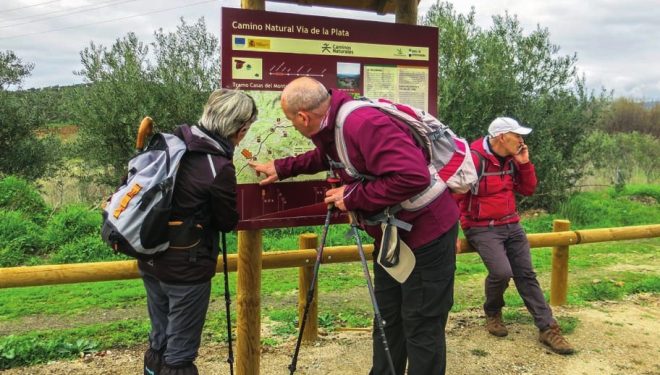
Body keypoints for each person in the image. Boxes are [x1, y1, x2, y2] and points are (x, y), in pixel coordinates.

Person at [249, 77, 459, 374]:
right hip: (394, 233)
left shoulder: (362, 124)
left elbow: (413, 177)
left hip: (427, 233)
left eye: (290, 120)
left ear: (303, 117)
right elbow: (329, 157)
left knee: (422, 321)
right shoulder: (334, 125)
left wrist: (352, 196)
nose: (293, 126)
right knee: (387, 316)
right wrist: (282, 168)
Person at [139, 89, 257, 375]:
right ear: (239, 130)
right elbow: (227, 221)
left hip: (149, 255)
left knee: (159, 341)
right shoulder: (218, 167)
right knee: (179, 354)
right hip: (187, 269)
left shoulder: (169, 143)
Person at [456, 117, 574, 354]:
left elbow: (528, 189)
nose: (522, 140)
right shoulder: (473, 159)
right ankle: (492, 311)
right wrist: (451, 236)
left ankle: (548, 328)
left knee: (526, 275)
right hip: (481, 227)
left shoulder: (512, 159)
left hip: (512, 223)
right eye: (517, 136)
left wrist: (524, 163)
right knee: (501, 273)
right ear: (502, 137)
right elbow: (453, 198)